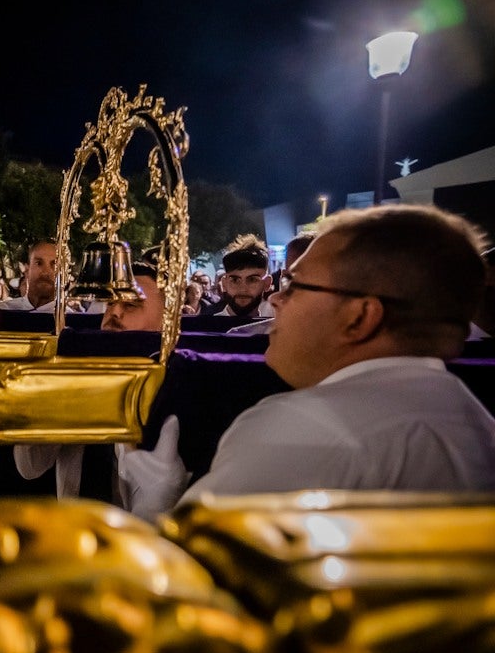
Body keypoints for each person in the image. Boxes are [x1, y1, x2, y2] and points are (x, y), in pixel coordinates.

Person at [117, 204, 495, 522]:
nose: (277, 301)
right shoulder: (477, 422)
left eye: (295, 285)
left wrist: (155, 505)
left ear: (360, 316)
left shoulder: (304, 427)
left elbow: (177, 584)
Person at [14, 246, 166, 499]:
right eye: (111, 303)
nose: (115, 312)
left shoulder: (175, 386)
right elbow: (30, 467)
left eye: (132, 304)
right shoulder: (76, 368)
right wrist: (50, 391)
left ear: (165, 321)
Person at [208, 234, 274, 318]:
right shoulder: (204, 329)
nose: (243, 289)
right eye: (235, 280)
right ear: (224, 284)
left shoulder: (277, 330)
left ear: (267, 283)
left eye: (252, 280)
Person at [0, 240, 62, 312]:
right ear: (27, 269)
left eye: (54, 264)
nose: (46, 272)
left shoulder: (70, 320)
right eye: (38, 263)